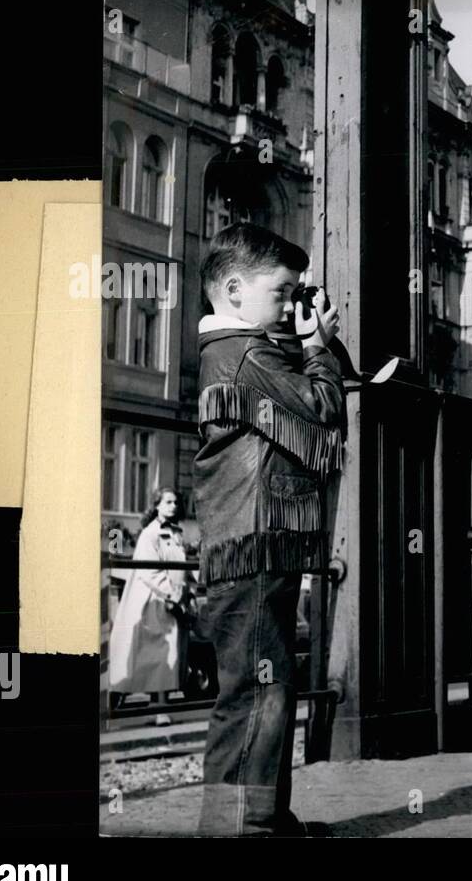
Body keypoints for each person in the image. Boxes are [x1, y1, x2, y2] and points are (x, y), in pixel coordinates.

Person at [193, 223, 345, 836]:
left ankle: (267, 817)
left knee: (269, 687)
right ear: (233, 289)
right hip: (255, 545)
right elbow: (324, 413)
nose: (290, 306)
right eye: (281, 293)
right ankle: (238, 828)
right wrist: (320, 349)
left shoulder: (233, 351)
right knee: (257, 695)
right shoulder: (247, 354)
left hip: (251, 544)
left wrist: (307, 343)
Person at [108, 487, 192, 725]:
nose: (173, 506)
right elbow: (150, 571)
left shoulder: (177, 533)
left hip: (172, 601)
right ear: (156, 505)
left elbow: (182, 569)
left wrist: (186, 593)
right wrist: (171, 595)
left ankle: (160, 707)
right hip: (153, 601)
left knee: (167, 656)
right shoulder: (150, 534)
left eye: (175, 502)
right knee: (157, 655)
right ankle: (158, 709)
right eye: (167, 502)